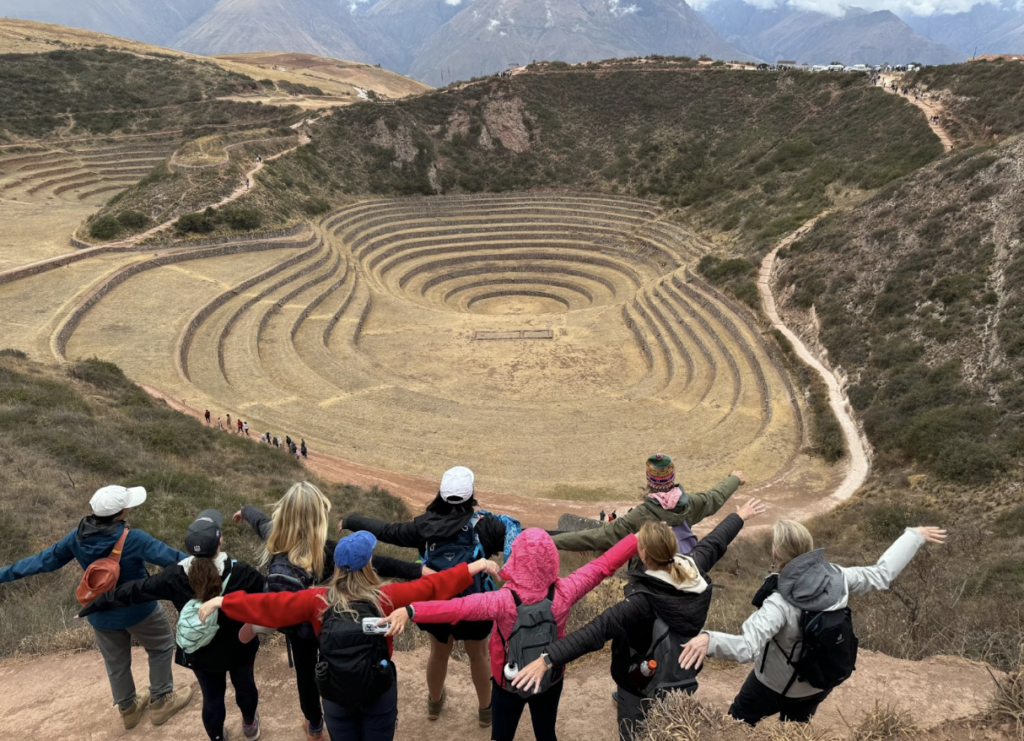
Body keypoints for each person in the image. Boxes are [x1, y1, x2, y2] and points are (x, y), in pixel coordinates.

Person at [197, 532, 500, 741]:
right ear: (369, 564)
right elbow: (437, 586)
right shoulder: (387, 597)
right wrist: (479, 565)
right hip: (378, 686)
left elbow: (270, 606)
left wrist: (224, 601)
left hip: (335, 689)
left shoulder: (317, 599)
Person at [513, 500, 765, 741]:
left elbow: (597, 630)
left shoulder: (641, 601)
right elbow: (715, 542)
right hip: (679, 671)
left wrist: (547, 659)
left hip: (637, 680)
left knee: (632, 730)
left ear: (642, 555)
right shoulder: (694, 569)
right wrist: (739, 516)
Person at [378, 528, 639, 741]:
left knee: (501, 737)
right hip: (549, 675)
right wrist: (636, 540)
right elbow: (603, 566)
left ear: (517, 558)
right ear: (551, 560)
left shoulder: (502, 600)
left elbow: (455, 608)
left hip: (508, 682)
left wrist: (412, 611)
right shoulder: (566, 592)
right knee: (546, 734)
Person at [678, 520, 948, 726]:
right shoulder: (838, 576)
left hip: (771, 685)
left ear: (775, 554)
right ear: (809, 549)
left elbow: (746, 648)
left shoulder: (779, 603)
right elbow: (881, 574)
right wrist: (914, 536)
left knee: (736, 722)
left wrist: (709, 639)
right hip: (819, 684)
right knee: (794, 730)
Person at [236, 482, 427, 741]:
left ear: (284, 515)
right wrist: (416, 570)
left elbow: (259, 521)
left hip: (296, 627)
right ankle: (345, 702)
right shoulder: (326, 550)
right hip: (326, 624)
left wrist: (244, 510)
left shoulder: (275, 538)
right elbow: (376, 563)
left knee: (305, 674)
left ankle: (314, 726)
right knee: (331, 666)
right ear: (318, 519)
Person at [0, 485, 193, 729]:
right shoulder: (134, 539)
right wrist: (224, 565)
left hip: (99, 613)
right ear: (122, 512)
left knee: (116, 663)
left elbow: (41, 562)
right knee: (161, 646)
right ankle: (161, 700)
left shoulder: (77, 537)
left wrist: (3, 574)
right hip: (139, 609)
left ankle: (128, 709)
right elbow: (175, 560)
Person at [80, 510, 266, 741]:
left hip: (200, 651)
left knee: (212, 698)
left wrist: (95, 604)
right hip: (239, 646)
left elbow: (135, 590)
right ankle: (249, 726)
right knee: (245, 686)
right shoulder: (242, 574)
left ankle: (218, 737)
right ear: (220, 540)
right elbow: (270, 598)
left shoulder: (174, 576)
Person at [343, 466, 506, 725]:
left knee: (438, 654)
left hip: (435, 603)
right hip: (474, 604)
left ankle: (434, 702)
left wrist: (352, 521)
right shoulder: (487, 527)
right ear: (471, 494)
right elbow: (527, 539)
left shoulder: (423, 527)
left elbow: (386, 531)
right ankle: (486, 711)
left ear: (440, 494)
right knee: (479, 656)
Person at [551, 456, 743, 562]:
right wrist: (734, 479)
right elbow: (714, 497)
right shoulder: (689, 503)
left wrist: (551, 541)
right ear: (672, 479)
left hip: (647, 583)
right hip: (681, 573)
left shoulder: (639, 516)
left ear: (649, 481)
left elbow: (595, 537)